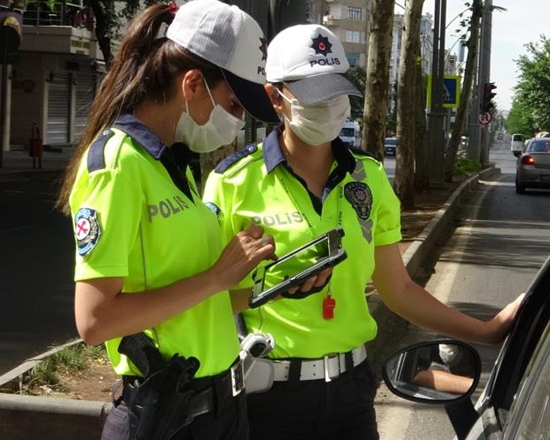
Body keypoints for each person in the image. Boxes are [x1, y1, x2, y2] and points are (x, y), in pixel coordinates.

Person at [203, 24, 522, 440]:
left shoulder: (367, 177)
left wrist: (487, 330)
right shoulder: (233, 183)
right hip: (264, 396)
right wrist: (273, 287)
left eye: (336, 94)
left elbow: (399, 290)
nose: (330, 106)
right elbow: (205, 300)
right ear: (275, 97)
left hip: (350, 394)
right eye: (315, 95)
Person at [54, 1, 310, 438]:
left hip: (220, 409)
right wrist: (216, 276)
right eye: (231, 103)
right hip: (169, 417)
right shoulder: (118, 164)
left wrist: (269, 285)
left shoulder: (174, 164)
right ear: (192, 84)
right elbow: (94, 322)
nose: (235, 118)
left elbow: (193, 303)